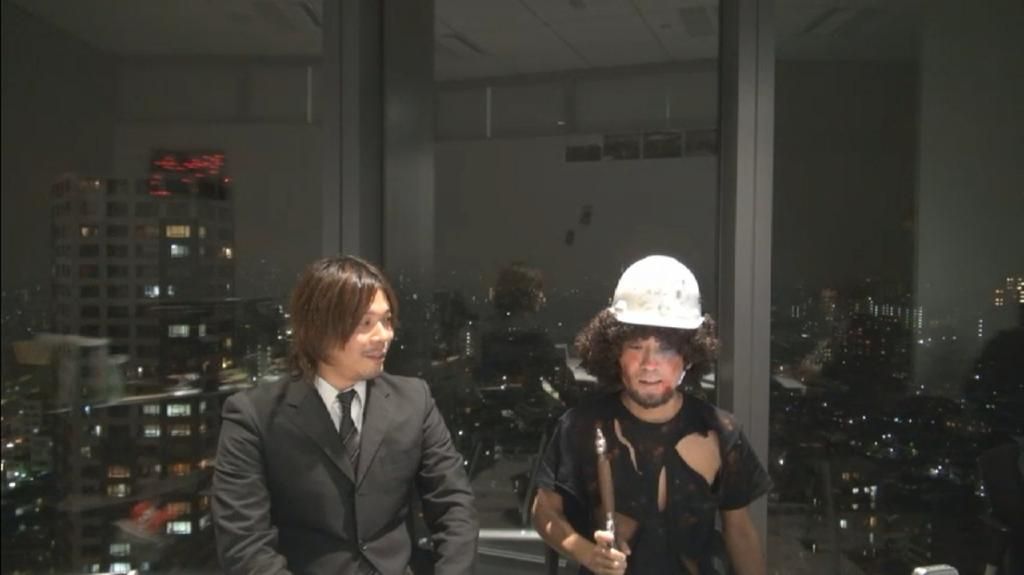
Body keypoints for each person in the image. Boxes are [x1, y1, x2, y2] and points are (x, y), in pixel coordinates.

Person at [213, 256, 478, 575]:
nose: (384, 335)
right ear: (319, 328)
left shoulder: (414, 400)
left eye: (387, 320)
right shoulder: (254, 417)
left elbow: (454, 506)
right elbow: (244, 545)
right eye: (365, 323)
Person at [532, 255, 772, 575]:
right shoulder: (581, 426)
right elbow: (544, 511)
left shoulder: (721, 431)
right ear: (614, 351)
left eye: (665, 348)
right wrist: (586, 552)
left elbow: (739, 531)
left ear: (690, 355)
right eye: (635, 346)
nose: (649, 364)